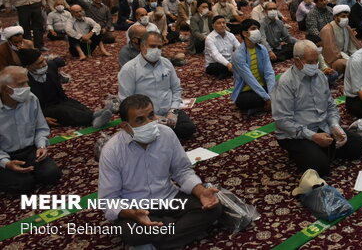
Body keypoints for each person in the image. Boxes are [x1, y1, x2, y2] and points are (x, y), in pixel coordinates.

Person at [98, 94, 222, 249]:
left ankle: (159, 238)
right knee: (133, 233)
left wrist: (200, 192)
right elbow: (108, 199)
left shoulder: (166, 134)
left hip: (169, 197)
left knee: (214, 208)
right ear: (125, 126)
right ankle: (176, 231)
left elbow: (182, 170)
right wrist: (131, 213)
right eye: (140, 120)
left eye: (151, 115)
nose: (149, 123)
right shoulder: (112, 151)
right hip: (136, 208)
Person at [271, 40, 362, 176]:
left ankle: (319, 149)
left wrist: (334, 126)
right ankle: (305, 150)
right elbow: (282, 121)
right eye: (310, 62)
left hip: (322, 126)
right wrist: (313, 137)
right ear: (297, 61)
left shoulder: (320, 76)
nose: (315, 65)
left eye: (316, 61)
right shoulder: (286, 83)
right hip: (296, 134)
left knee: (358, 147)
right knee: (320, 167)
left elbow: (330, 106)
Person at [118, 32, 196, 139]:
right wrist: (151, 117)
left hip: (168, 112)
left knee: (188, 128)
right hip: (145, 116)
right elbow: (126, 101)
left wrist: (173, 111)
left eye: (159, 47)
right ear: (142, 46)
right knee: (146, 135)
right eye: (152, 46)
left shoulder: (167, 63)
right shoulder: (129, 69)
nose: (156, 50)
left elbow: (176, 89)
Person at [0, 66, 61, 194]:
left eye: (27, 82)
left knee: (51, 174)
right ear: (6, 89)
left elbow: (41, 128)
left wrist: (41, 145)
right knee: (23, 185)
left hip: (29, 150)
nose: (27, 87)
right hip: (5, 155)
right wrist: (6, 163)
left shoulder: (31, 99)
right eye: (21, 84)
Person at [18, 48, 112, 127]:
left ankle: (94, 115)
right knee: (63, 111)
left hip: (59, 100)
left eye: (44, 60)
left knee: (74, 104)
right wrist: (40, 120)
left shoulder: (50, 66)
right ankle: (93, 120)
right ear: (28, 67)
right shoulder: (23, 81)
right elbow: (24, 108)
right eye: (39, 63)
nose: (44, 64)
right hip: (43, 108)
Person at [231, 19, 276, 115]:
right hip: (246, 90)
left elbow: (269, 72)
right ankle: (264, 105)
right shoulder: (238, 55)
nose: (257, 31)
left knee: (283, 90)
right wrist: (267, 98)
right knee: (249, 100)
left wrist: (272, 94)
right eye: (253, 29)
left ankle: (261, 107)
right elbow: (249, 79)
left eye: (258, 29)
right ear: (245, 33)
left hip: (263, 87)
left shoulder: (262, 49)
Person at [319, 4, 362, 74]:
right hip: (334, 59)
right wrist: (349, 59)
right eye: (343, 16)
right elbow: (330, 54)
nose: (346, 18)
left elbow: (353, 46)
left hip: (346, 55)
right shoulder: (327, 30)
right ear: (335, 17)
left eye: (347, 16)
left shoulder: (346, 27)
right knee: (343, 63)